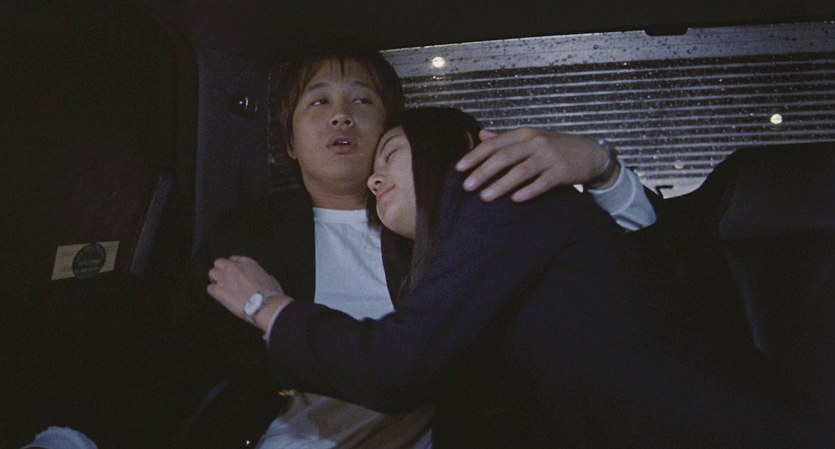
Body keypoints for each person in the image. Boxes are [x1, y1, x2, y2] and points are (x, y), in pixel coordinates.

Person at [207, 107, 829, 448]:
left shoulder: (497, 198)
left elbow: (397, 362)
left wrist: (265, 303)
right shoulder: (481, 245)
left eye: (391, 154)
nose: (373, 179)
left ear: (454, 153)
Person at [179, 40, 656, 449]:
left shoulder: (444, 224)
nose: (341, 116)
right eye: (318, 102)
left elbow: (633, 266)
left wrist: (601, 165)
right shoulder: (251, 232)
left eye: (362, 101)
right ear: (289, 142)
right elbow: (202, 360)